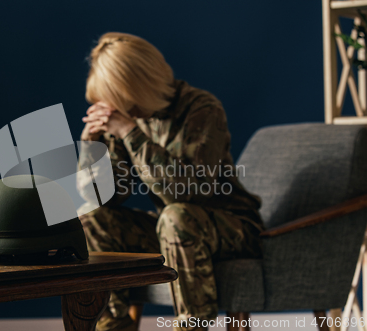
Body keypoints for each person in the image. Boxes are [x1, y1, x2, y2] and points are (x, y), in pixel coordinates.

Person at [77, 32, 264, 331]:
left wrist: (129, 132)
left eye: (121, 100)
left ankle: (192, 326)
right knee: (91, 218)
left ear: (140, 86)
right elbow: (106, 197)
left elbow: (189, 190)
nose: (117, 110)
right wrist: (91, 149)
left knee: (176, 217)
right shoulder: (128, 118)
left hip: (233, 227)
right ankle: (111, 325)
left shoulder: (202, 109)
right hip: (175, 228)